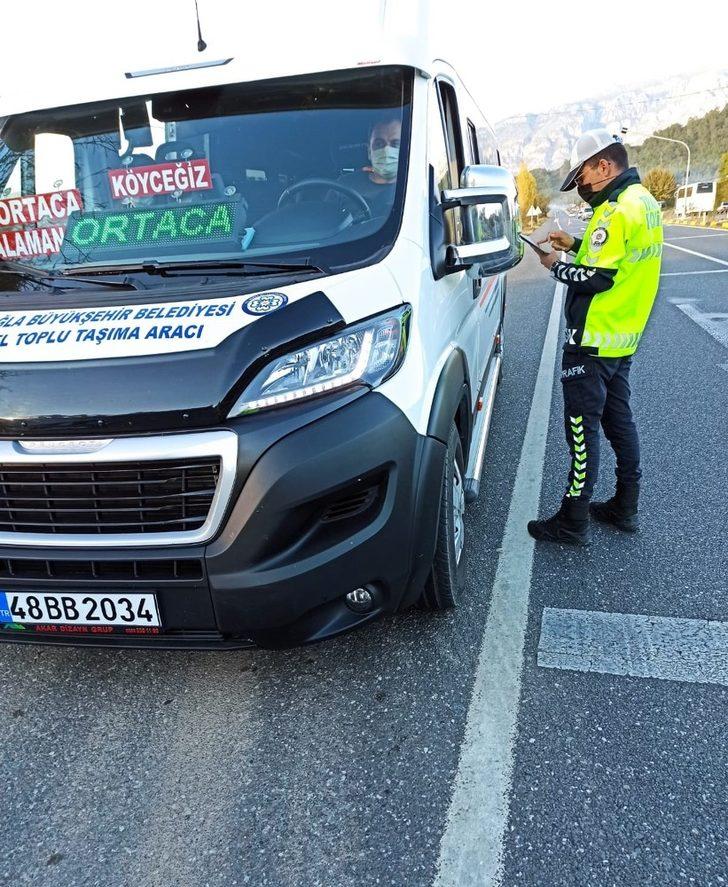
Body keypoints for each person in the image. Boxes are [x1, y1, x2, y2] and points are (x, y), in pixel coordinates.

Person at [527, 128, 663, 545]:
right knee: (620, 421)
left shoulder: (616, 209)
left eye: (583, 176)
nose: (582, 186)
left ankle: (573, 521)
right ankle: (625, 506)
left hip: (592, 339)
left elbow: (598, 277)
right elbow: (617, 261)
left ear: (604, 165)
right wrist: (576, 242)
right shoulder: (645, 202)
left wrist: (553, 263)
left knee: (581, 432)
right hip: (622, 338)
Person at [336, 118, 401, 218]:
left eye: (395, 144)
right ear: (369, 151)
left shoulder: (414, 189)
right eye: (379, 144)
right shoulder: (342, 185)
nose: (386, 150)